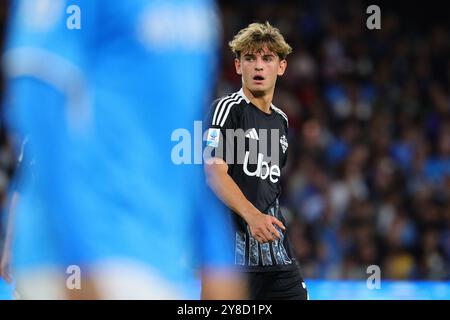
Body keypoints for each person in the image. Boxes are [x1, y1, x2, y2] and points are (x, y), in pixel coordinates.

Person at [2, 0, 245, 299]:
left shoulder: (196, 9)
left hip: (160, 260)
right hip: (88, 253)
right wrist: (78, 258)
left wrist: (217, 257)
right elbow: (37, 104)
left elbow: (184, 133)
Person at [204, 21, 308, 300]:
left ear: (281, 67)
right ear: (238, 66)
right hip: (232, 261)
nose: (258, 66)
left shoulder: (282, 121)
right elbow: (214, 172)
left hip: (278, 257)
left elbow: (267, 188)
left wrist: (263, 221)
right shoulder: (227, 110)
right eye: (249, 58)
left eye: (267, 58)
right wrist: (252, 217)